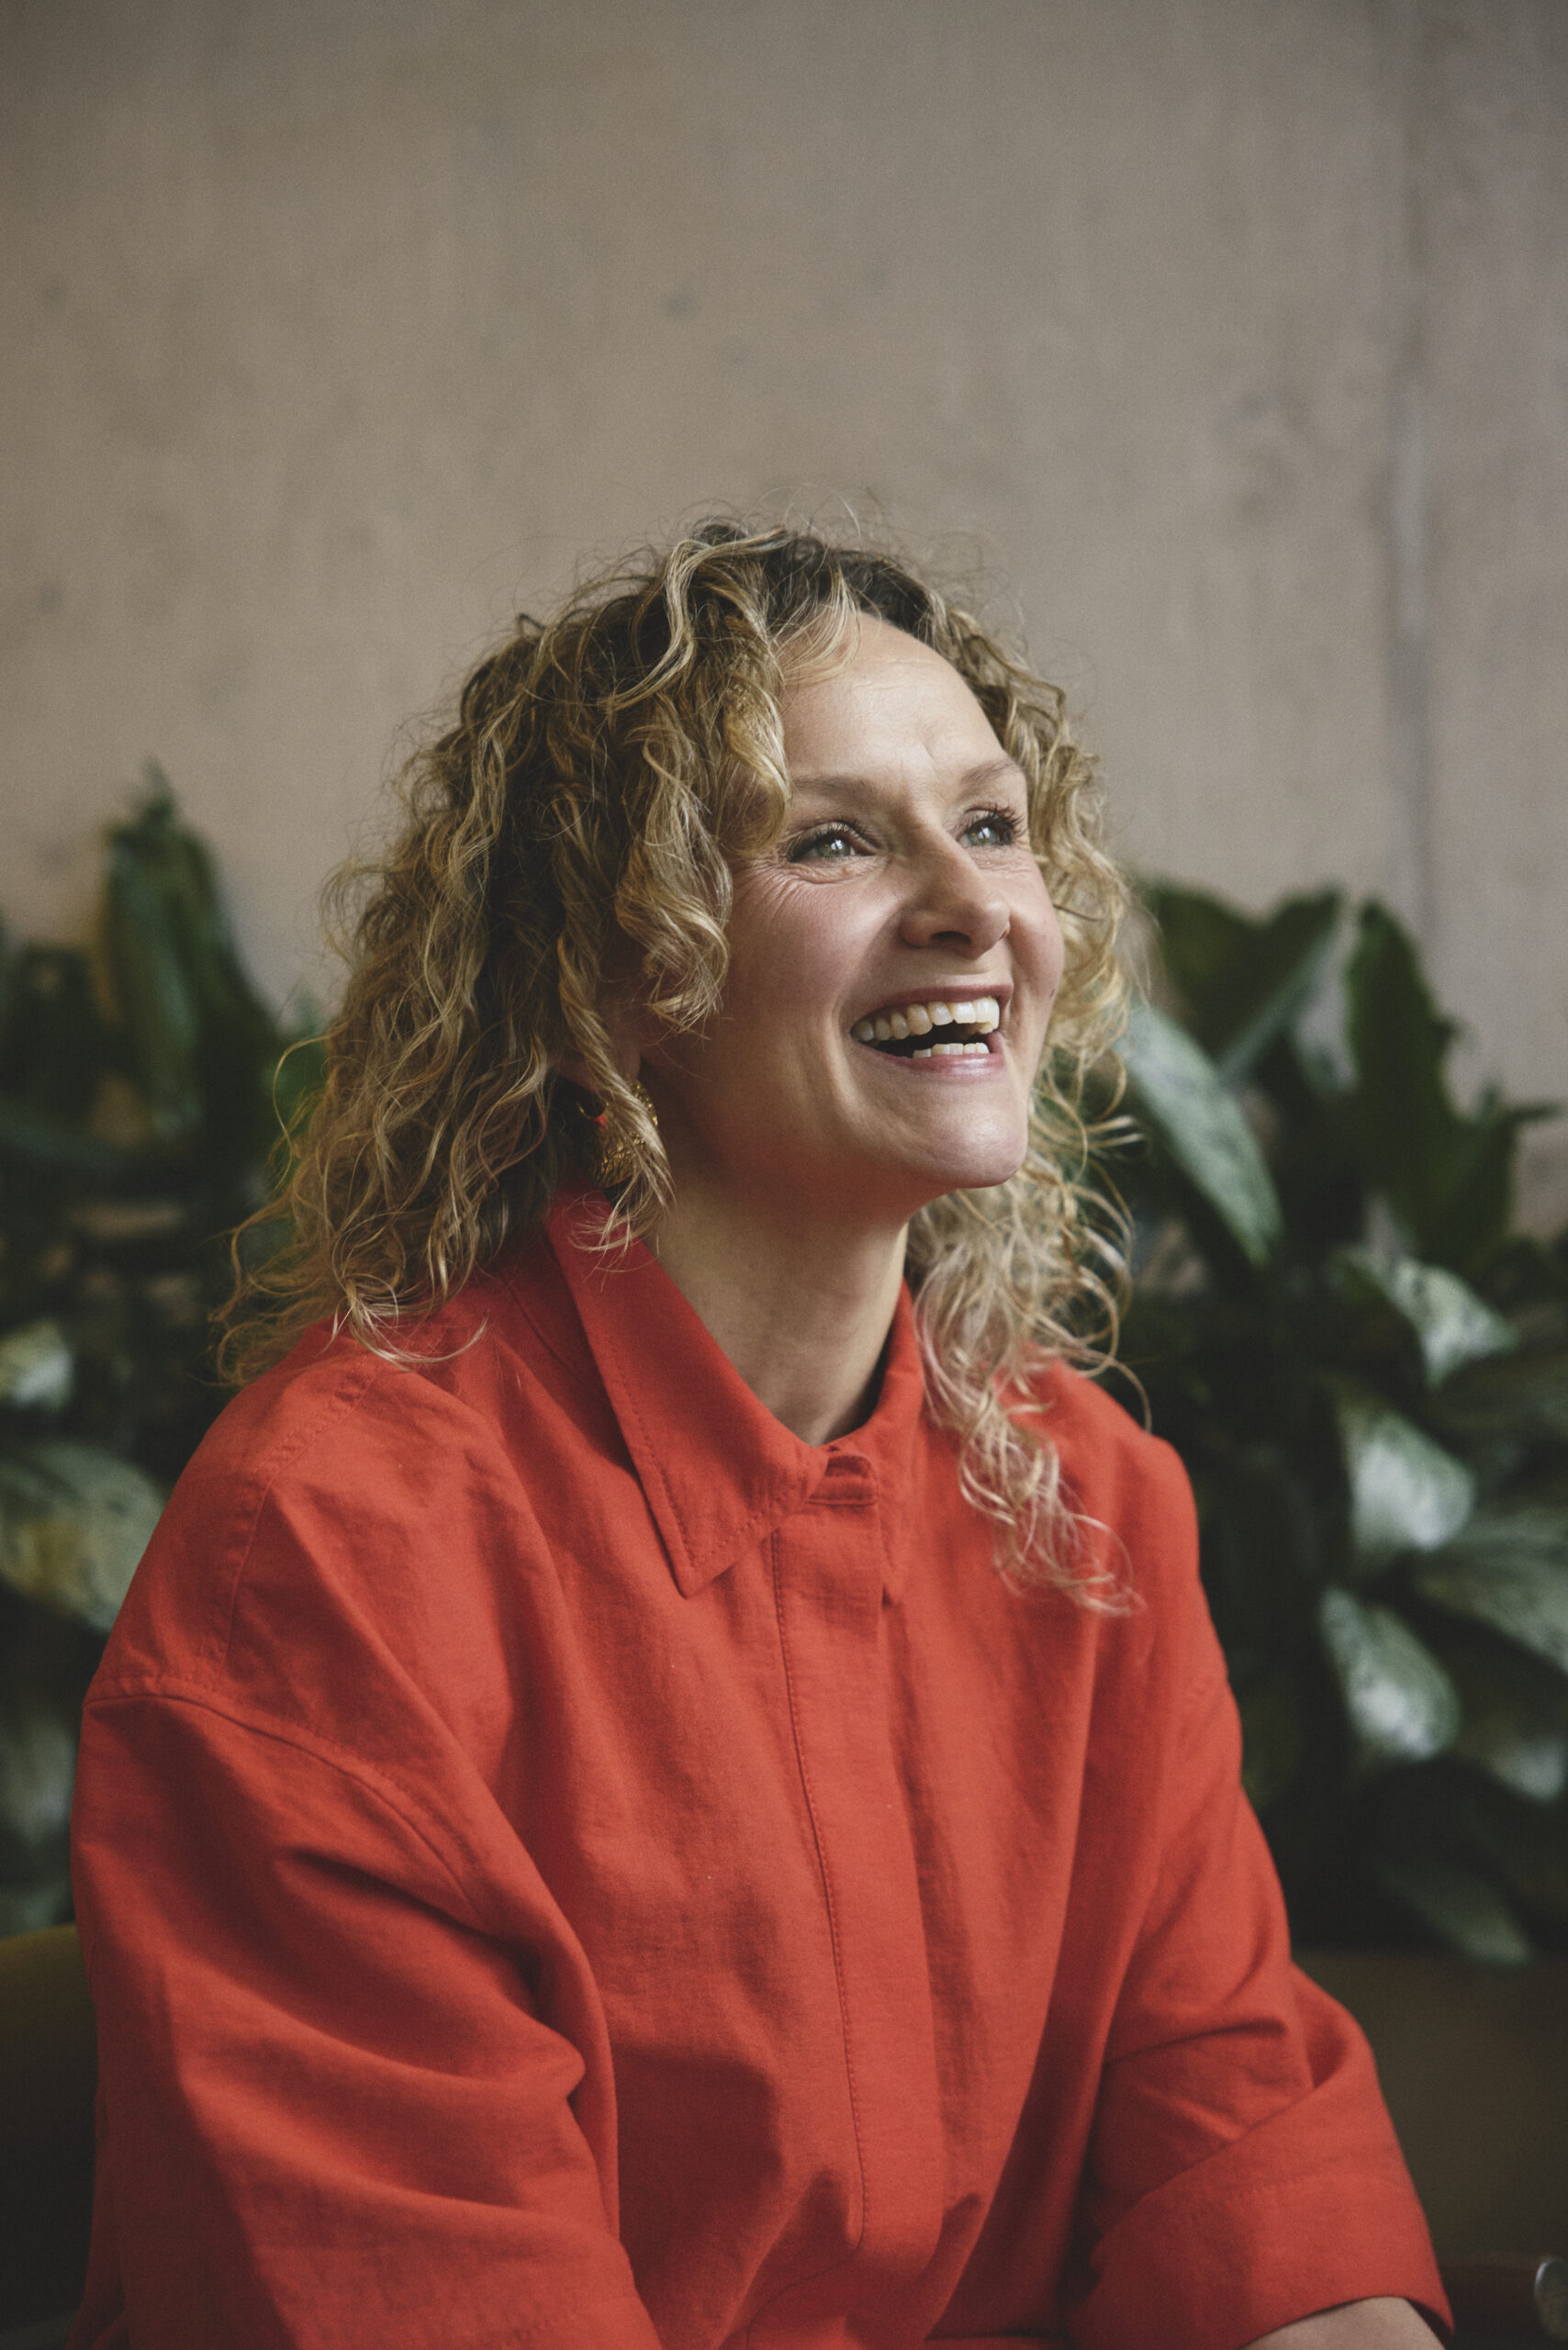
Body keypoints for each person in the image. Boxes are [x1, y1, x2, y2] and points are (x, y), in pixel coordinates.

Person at [66, 523, 1448, 2350]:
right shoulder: (325, 1551)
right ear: (618, 976)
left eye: (990, 821)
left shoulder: (1090, 1495)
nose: (971, 906)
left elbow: (1240, 2161)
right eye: (834, 838)